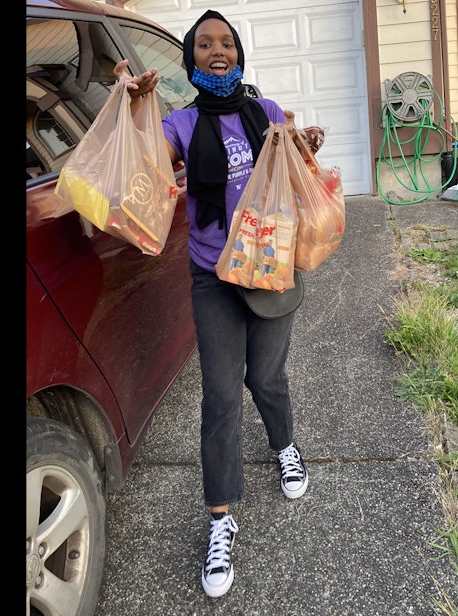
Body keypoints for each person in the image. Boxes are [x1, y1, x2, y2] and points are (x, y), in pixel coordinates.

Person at [114, 9, 309, 599]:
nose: (216, 51)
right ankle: (220, 518)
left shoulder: (265, 112)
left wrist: (306, 145)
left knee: (267, 379)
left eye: (226, 42)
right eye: (204, 44)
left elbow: (297, 169)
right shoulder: (179, 123)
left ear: (240, 53)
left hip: (270, 269)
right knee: (221, 395)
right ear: (190, 57)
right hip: (212, 278)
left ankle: (284, 445)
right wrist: (132, 106)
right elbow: (144, 160)